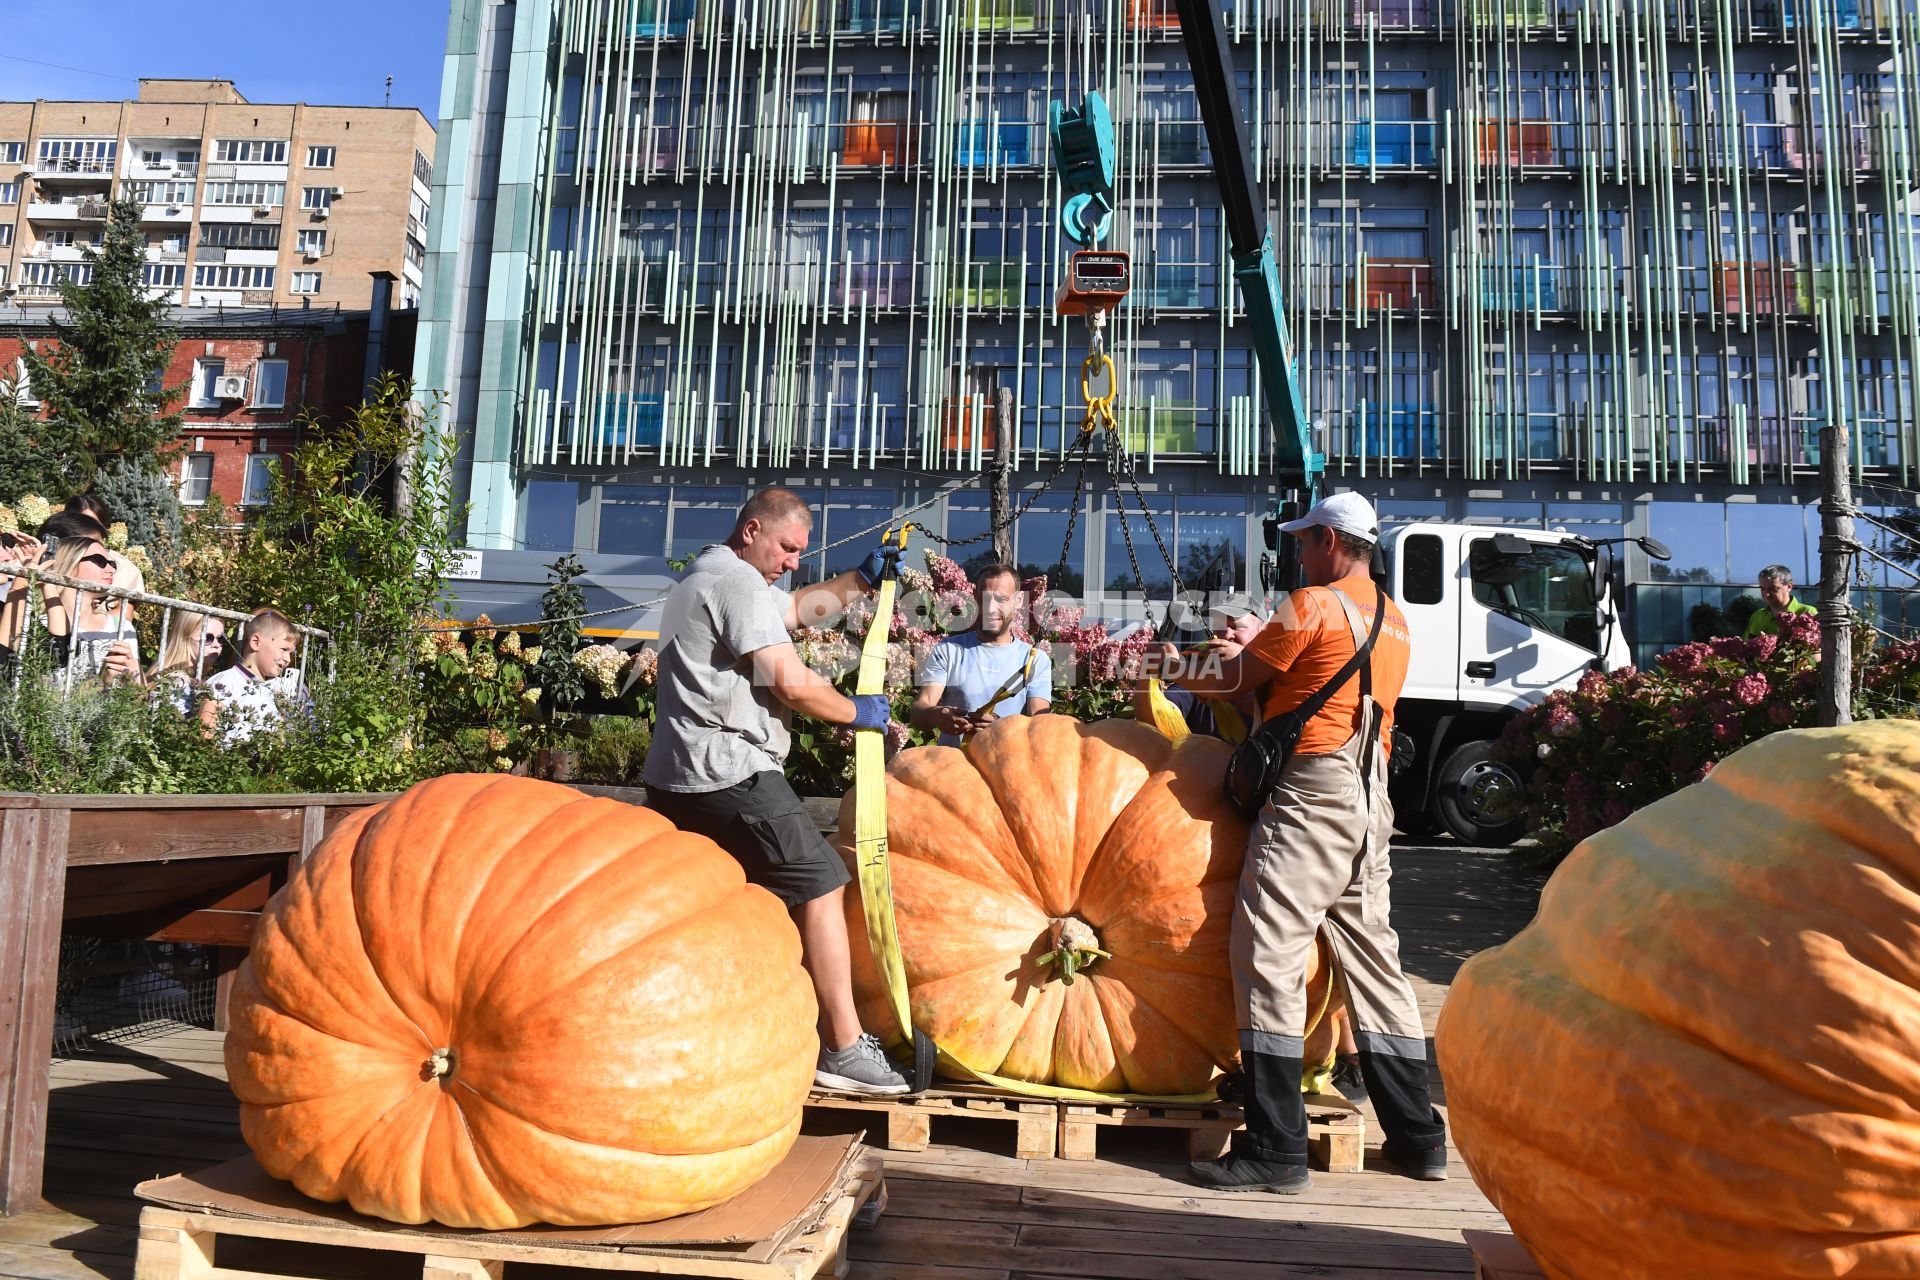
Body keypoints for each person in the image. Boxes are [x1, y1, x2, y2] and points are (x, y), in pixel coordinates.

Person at [1162, 491, 1446, 1194]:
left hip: (1312, 794)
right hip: (1371, 794)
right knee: (1376, 963)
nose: (1299, 551)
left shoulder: (1308, 605)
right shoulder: (1396, 621)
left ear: (1327, 540)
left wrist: (1172, 667)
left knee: (1267, 952)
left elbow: (1231, 681)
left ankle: (1276, 1149)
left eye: (1305, 540)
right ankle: (1419, 1140)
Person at [642, 487, 912, 1096]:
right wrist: (857, 712)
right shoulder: (735, 583)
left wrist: (858, 584)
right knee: (822, 882)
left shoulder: (712, 577)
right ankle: (843, 1047)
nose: (793, 560)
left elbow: (790, 611)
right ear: (752, 530)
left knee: (729, 908)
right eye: (787, 548)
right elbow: (789, 683)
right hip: (727, 772)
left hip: (682, 775)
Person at [910, 562, 1052, 746]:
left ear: (1018, 601)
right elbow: (919, 711)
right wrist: (935, 716)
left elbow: (1040, 725)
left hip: (1006, 769)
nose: (991, 609)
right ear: (975, 598)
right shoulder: (948, 650)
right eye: (985, 599)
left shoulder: (1035, 660)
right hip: (954, 768)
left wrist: (1003, 728)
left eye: (1001, 600)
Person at [1132, 592, 1265, 740]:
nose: (1227, 634)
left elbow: (1273, 710)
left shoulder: (1280, 678)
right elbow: (1153, 724)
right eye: (1219, 626)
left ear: (1264, 632)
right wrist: (1149, 673)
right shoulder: (1199, 677)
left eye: (1236, 626)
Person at [41, 536, 143, 687]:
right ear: (70, 562)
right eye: (99, 561)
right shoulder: (41, 624)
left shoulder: (121, 627)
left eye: (111, 564)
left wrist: (134, 677)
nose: (111, 570)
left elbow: (140, 697)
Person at [200, 609, 302, 743]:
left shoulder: (273, 689)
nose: (288, 659)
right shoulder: (225, 682)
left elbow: (279, 738)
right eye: (284, 649)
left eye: (291, 653)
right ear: (255, 642)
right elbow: (205, 733)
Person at [149, 612, 228, 717]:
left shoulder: (191, 677)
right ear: (184, 638)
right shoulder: (178, 680)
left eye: (220, 638)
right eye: (207, 638)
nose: (216, 645)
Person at [1745, 564, 1816, 637]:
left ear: (1789, 586)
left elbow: (1818, 646)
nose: (1766, 594)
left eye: (1772, 589)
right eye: (1762, 589)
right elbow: (1745, 646)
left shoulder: (1807, 613)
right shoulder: (1756, 616)